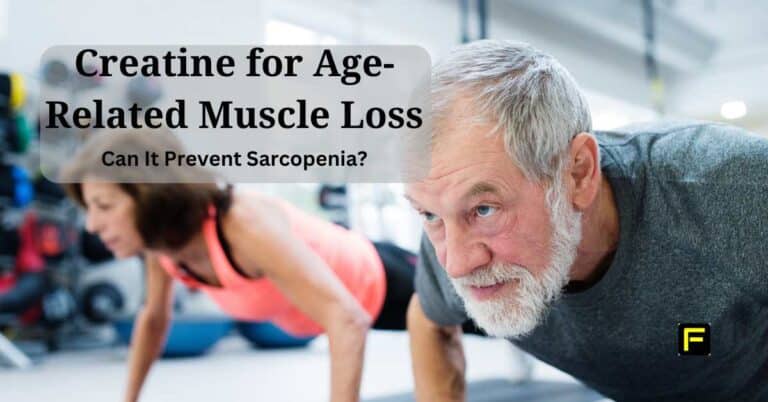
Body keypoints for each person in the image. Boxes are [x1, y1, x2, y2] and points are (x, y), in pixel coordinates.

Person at [405, 40, 768, 402]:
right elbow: (429, 318)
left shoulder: (736, 188)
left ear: (578, 173)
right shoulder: (453, 228)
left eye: (484, 209)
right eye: (429, 215)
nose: (456, 264)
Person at [60, 130, 417, 402]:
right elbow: (153, 319)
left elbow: (347, 318)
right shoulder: (162, 246)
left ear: (150, 195)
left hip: (385, 278)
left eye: (104, 206)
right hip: (345, 307)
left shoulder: (241, 224)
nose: (91, 225)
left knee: (464, 325)